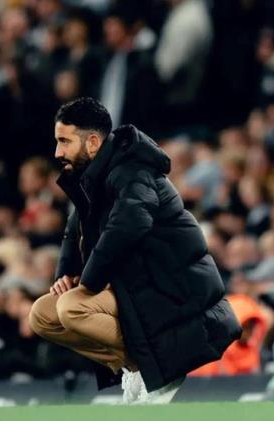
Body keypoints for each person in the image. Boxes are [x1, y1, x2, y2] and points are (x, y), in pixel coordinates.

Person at [29, 97, 241, 404]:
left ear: (92, 142)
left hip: (169, 289)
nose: (57, 152)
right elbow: (74, 230)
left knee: (72, 307)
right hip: (133, 287)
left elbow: (130, 224)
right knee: (43, 314)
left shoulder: (133, 170)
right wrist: (65, 274)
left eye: (64, 141)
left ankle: (160, 368)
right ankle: (135, 367)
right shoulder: (93, 177)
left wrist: (87, 282)